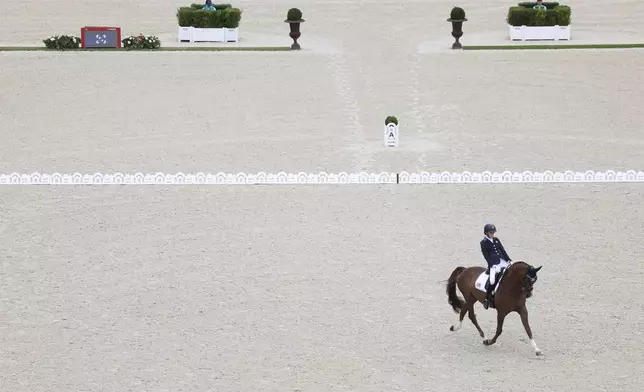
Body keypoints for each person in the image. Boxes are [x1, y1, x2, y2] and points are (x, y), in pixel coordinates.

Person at [480, 223, 512, 309]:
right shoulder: (483, 243)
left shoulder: (496, 240)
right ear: (486, 233)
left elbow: (502, 250)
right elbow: (486, 255)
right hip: (493, 264)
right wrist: (491, 265)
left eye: (493, 232)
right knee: (492, 280)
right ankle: (487, 299)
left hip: (502, 261)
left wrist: (509, 259)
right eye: (491, 232)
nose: (492, 234)